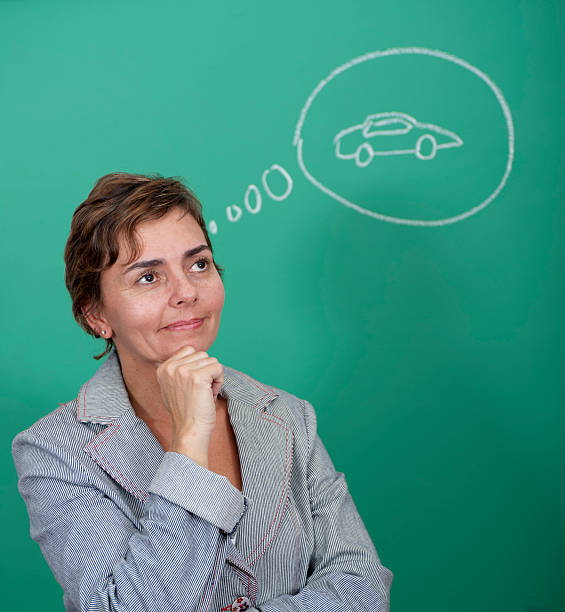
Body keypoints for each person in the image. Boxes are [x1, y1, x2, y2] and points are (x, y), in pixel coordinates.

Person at [12, 172, 393, 611]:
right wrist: (190, 437)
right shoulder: (55, 451)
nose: (187, 292)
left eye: (199, 264)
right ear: (97, 315)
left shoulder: (289, 416)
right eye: (148, 277)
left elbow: (362, 588)